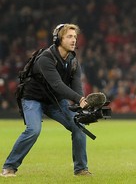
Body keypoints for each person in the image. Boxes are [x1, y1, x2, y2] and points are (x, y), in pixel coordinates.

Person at [1, 24, 91, 177]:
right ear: (58, 39)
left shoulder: (74, 62)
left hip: (55, 101)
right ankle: (9, 167)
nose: (74, 40)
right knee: (34, 130)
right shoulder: (46, 58)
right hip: (32, 99)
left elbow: (77, 88)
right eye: (69, 36)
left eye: (75, 37)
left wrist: (82, 105)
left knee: (79, 126)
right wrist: (79, 99)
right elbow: (57, 85)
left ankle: (81, 169)